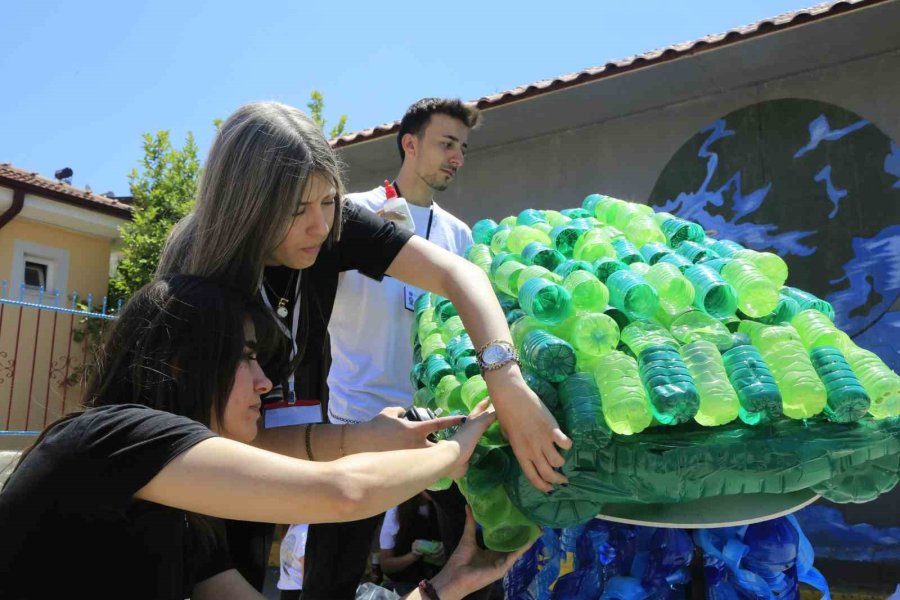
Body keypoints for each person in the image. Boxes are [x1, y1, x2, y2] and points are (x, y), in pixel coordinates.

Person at [156, 100, 572, 594]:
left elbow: (461, 275)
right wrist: (423, 453)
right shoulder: (195, 294)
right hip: (193, 503)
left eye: (328, 201)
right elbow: (319, 484)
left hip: (325, 438)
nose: (320, 226)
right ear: (247, 205)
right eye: (296, 209)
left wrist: (506, 382)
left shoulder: (337, 227)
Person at [0, 275, 527, 600]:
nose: (265, 381)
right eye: (246, 356)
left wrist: (441, 591)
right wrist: (454, 454)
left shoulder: (180, 514)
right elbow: (340, 493)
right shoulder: (110, 438)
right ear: (185, 363)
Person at [300, 97, 495, 599]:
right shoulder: (353, 213)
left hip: (438, 417)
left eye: (463, 148)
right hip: (358, 415)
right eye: (446, 144)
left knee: (468, 553)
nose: (457, 157)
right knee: (335, 571)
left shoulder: (460, 234)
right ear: (410, 144)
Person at [379, 493, 445, 596]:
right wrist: (413, 556)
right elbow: (386, 565)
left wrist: (445, 549)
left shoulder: (445, 506)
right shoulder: (396, 510)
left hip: (439, 581)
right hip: (406, 583)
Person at [277, 523, 308, 600]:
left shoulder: (303, 530)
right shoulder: (292, 527)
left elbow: (304, 562)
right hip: (288, 589)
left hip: (297, 590)